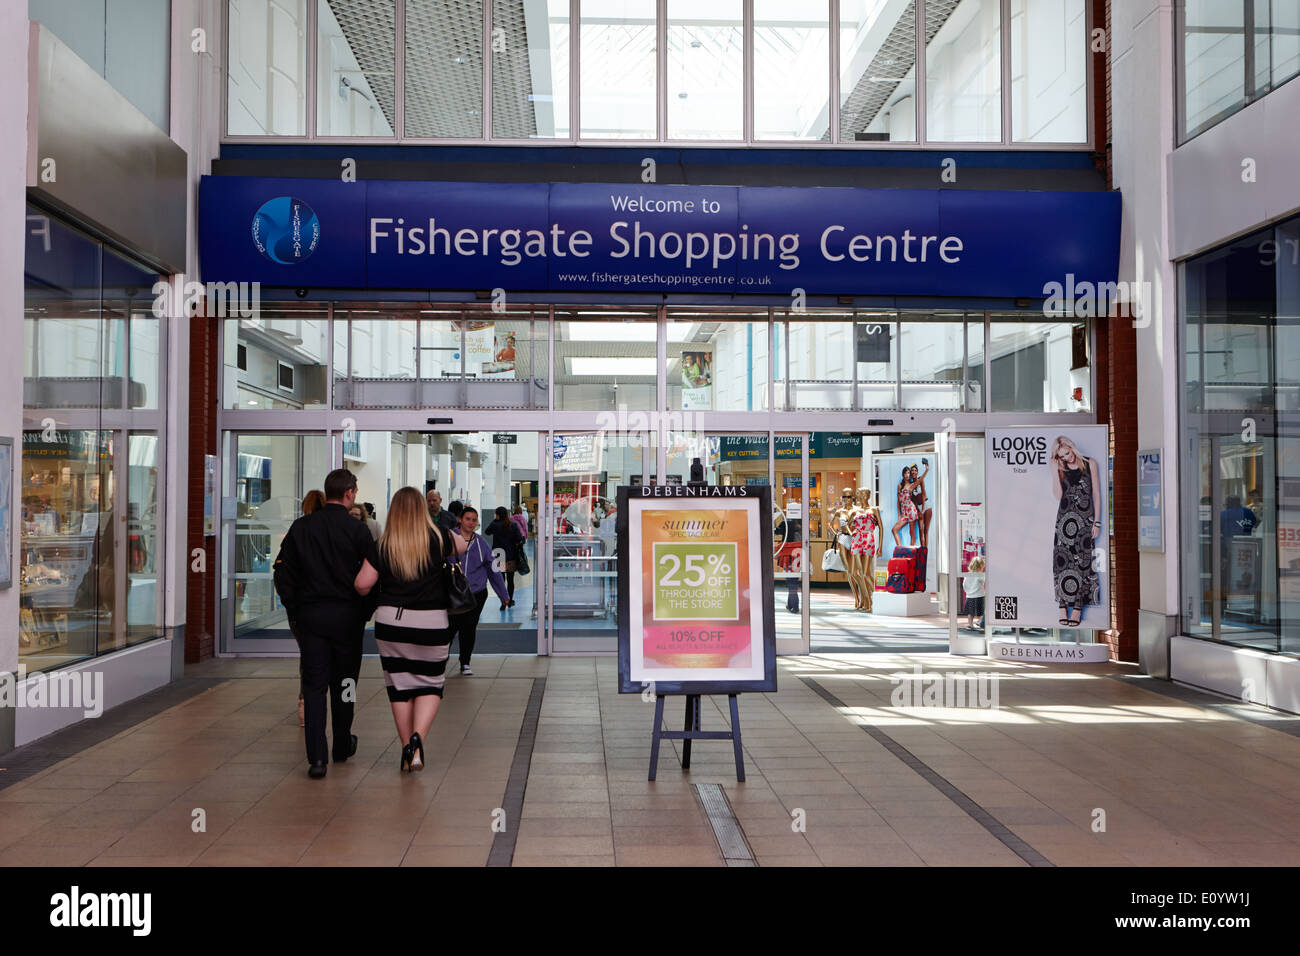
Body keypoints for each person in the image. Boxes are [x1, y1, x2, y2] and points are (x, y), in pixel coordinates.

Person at [272, 469, 378, 779]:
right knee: (346, 683)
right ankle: (342, 742)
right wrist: (364, 612)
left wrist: (295, 608)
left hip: (312, 619)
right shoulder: (359, 532)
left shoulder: (302, 528)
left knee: (315, 686)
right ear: (350, 494)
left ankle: (317, 759)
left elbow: (282, 573)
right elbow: (374, 576)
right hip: (348, 620)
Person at [354, 487, 468, 772]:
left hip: (392, 623)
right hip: (432, 623)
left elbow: (362, 584)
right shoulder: (439, 537)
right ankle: (418, 739)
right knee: (430, 684)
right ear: (422, 510)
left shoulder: (382, 545)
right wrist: (438, 527)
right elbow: (463, 545)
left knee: (400, 687)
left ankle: (407, 748)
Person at [448, 506, 510, 675]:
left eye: (474, 520)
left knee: (468, 628)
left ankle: (465, 662)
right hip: (452, 592)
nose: (471, 522)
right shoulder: (448, 538)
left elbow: (493, 571)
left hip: (475, 594)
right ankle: (440, 660)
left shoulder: (481, 543)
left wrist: (503, 595)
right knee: (449, 628)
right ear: (460, 519)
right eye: (467, 519)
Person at [1050, 436, 1102, 628]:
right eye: (1062, 456)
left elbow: (1096, 494)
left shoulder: (1090, 464)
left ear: (1073, 448)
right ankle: (1063, 606)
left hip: (1085, 521)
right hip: (1063, 520)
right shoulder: (1060, 468)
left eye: (1068, 453)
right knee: (1062, 563)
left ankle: (1078, 607)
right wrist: (1054, 471)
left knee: (1083, 563)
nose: (1067, 458)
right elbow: (1058, 495)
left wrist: (1096, 522)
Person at [292, 489, 327, 727]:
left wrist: (289, 600)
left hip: (301, 606)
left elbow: (283, 568)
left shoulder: (298, 529)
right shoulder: (331, 530)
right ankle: (339, 702)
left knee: (309, 656)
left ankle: (305, 702)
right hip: (328, 605)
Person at [485, 506, 524, 606]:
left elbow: (487, 532)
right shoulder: (513, 525)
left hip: (499, 555)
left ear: (497, 514)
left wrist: (495, 521)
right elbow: (519, 538)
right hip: (511, 555)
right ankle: (510, 600)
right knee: (510, 580)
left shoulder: (495, 524)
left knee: (501, 580)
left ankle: (503, 601)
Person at [773, 504, 802, 613]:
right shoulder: (801, 523)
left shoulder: (785, 522)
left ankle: (794, 605)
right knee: (793, 578)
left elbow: (776, 531)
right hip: (799, 553)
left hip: (787, 554)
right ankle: (791, 604)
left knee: (790, 579)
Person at [891, 467, 918, 547]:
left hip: (911, 510)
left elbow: (919, 481)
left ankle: (911, 552)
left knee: (911, 533)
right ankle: (900, 549)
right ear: (903, 474)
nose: (907, 475)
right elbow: (898, 501)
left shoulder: (912, 485)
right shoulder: (899, 486)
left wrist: (926, 469)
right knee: (894, 530)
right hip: (904, 513)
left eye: (908, 473)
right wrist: (899, 515)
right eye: (905, 473)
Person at [963, 556, 986, 630]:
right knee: (980, 611)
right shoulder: (980, 574)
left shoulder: (968, 574)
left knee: (970, 612)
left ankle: (970, 624)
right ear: (981, 566)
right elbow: (985, 581)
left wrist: (968, 591)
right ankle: (980, 622)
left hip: (969, 596)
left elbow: (964, 584)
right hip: (979, 595)